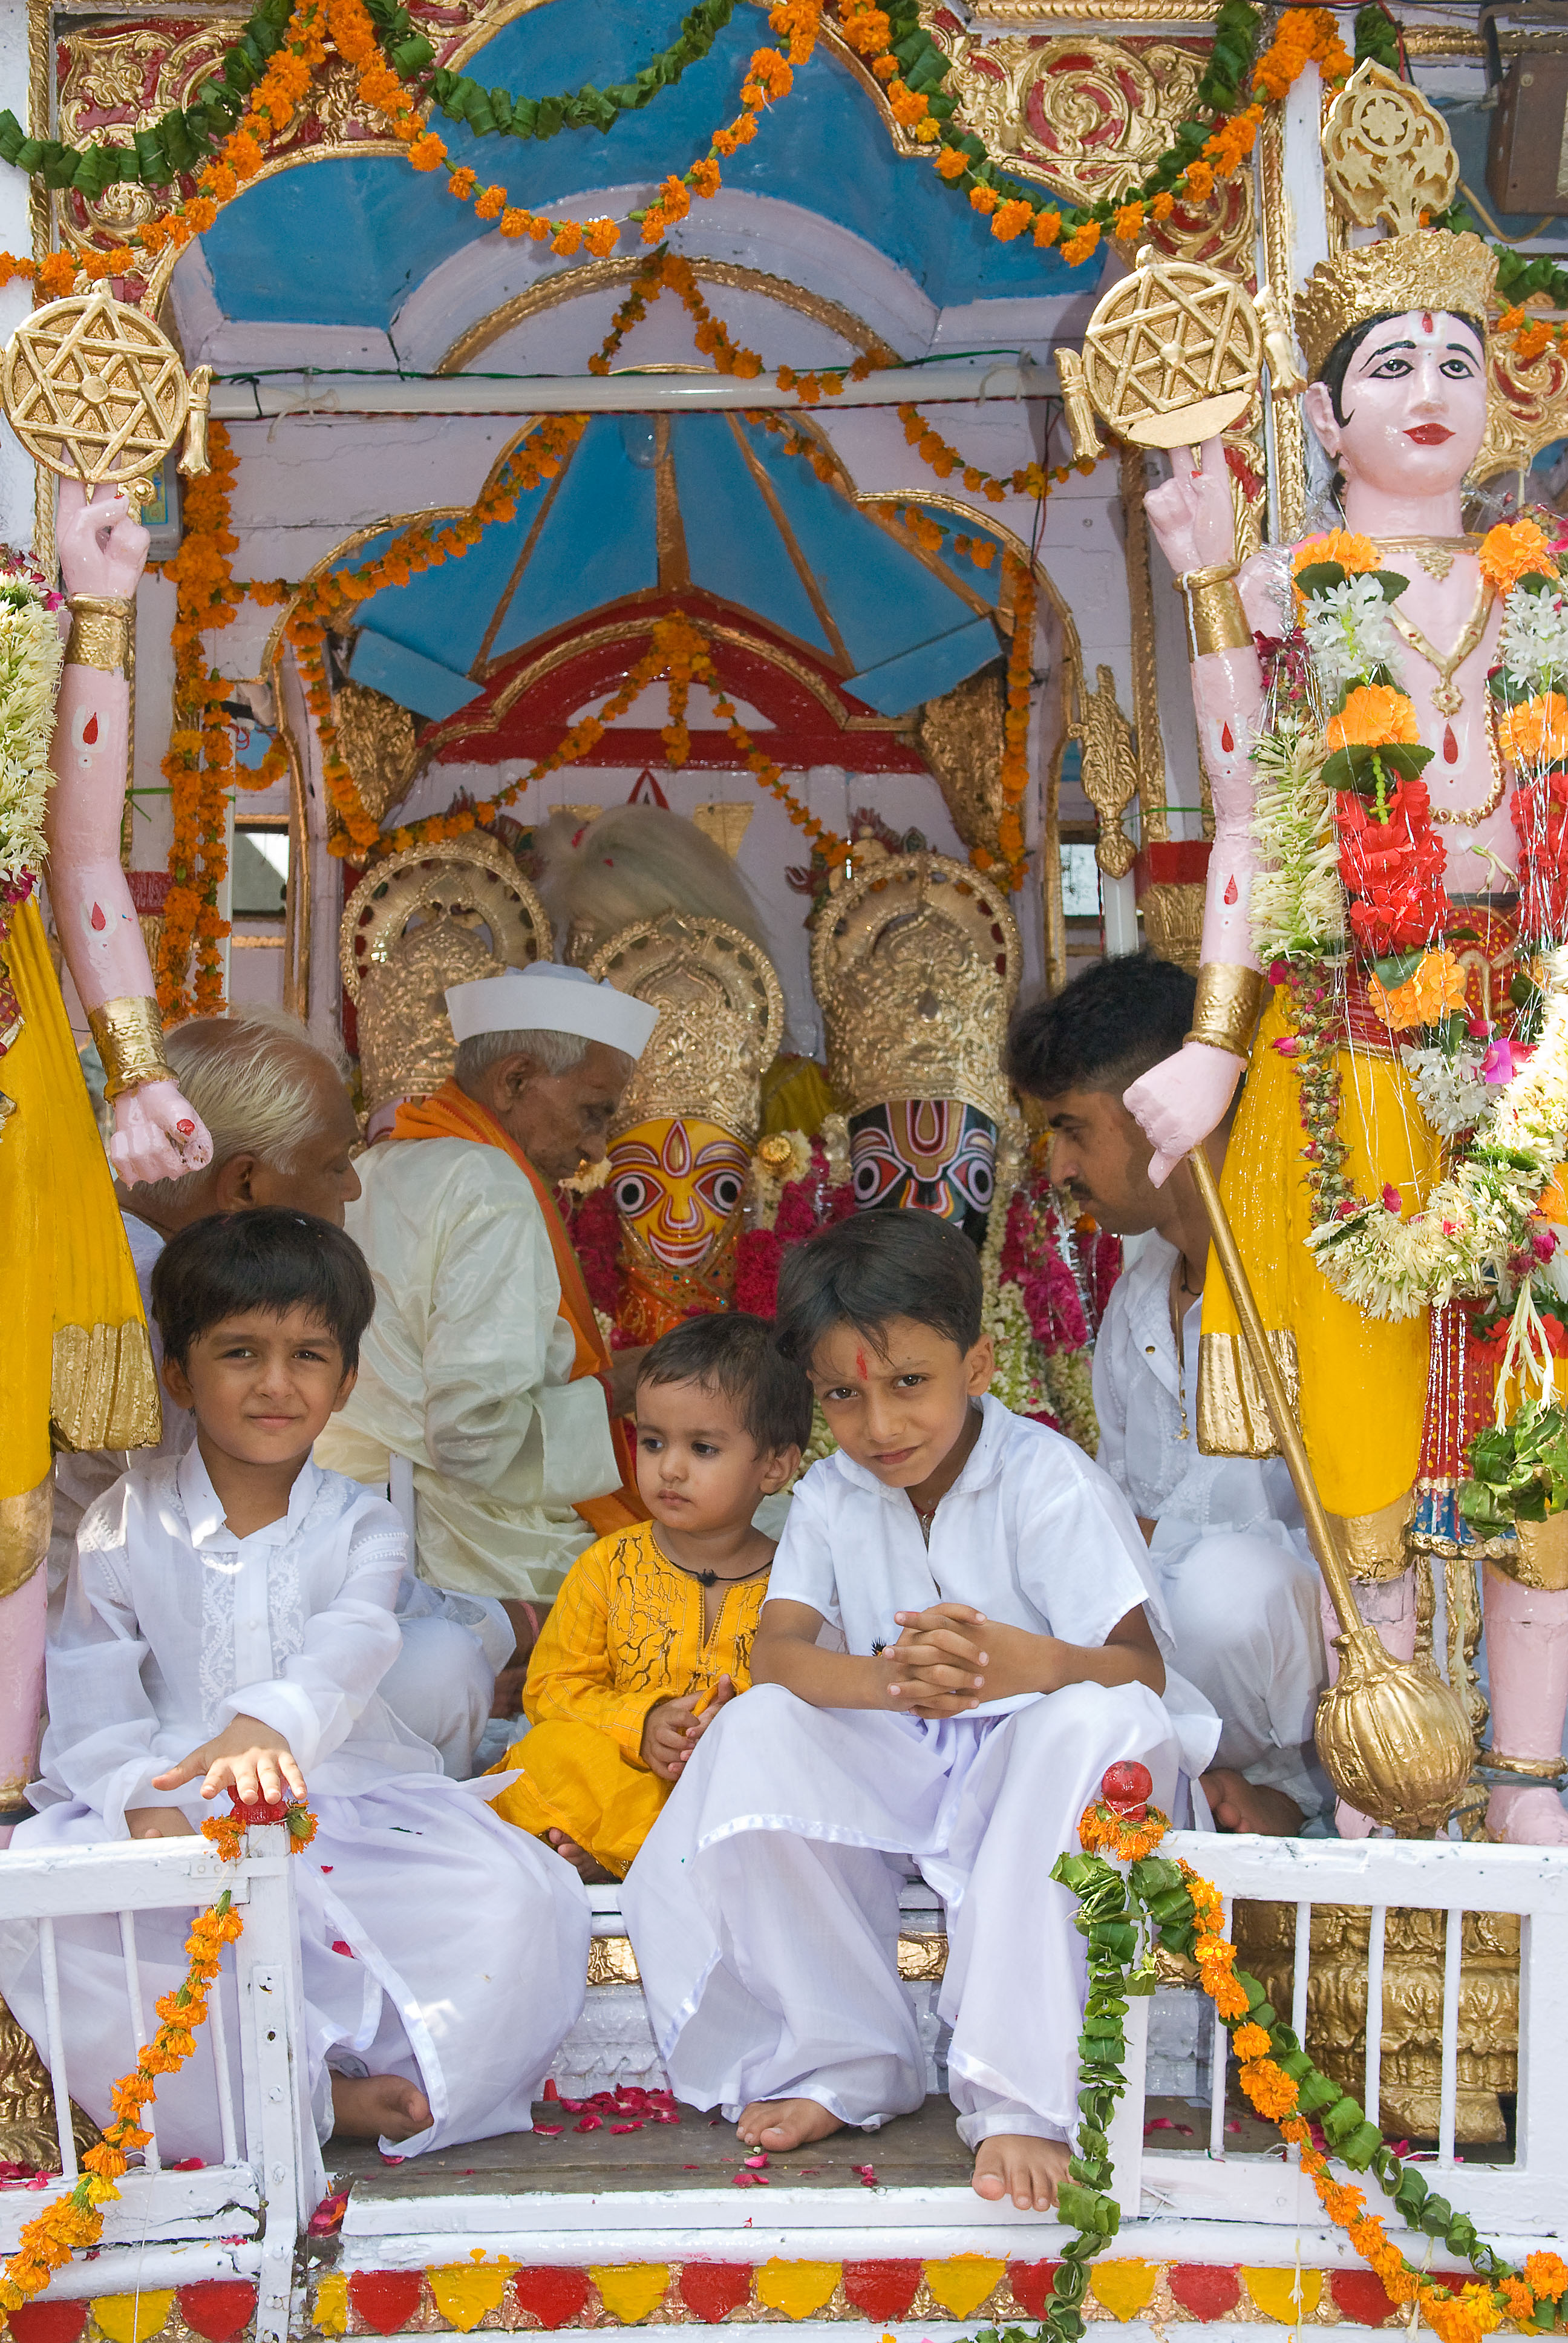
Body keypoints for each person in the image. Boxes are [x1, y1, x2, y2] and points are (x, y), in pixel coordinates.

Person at [1131, 220, 1568, 1842]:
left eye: (1458, 361)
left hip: (1534, 1047)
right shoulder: (1265, 595)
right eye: (1391, 366)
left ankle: (1529, 1794)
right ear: (1322, 423)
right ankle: (1387, 1792)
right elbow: (1247, 829)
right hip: (1351, 1046)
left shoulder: (1554, 592)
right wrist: (1212, 1045)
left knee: (1545, 1441)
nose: (1433, 390)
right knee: (1367, 1450)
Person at [620, 1211, 1217, 2212]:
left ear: (977, 1362)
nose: (880, 1426)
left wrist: (1018, 1666)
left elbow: (1137, 1670)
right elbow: (779, 1653)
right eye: (843, 1394)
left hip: (1052, 1757)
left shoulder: (1046, 1479)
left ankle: (1023, 2098)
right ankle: (845, 2054)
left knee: (1081, 1721)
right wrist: (893, 1681)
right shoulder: (827, 1495)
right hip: (914, 1744)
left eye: (908, 1384)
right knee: (757, 1728)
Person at [0, 1209, 589, 2159]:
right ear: (181, 1374)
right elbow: (90, 1683)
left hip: (338, 1795)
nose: (276, 1385)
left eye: (309, 1356)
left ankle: (352, 2077)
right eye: (240, 1353)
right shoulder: (121, 1523)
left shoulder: (363, 1528)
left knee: (517, 1895)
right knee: (57, 1916)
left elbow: (352, 1645)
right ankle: (304, 2102)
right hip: (170, 1804)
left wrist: (266, 1731)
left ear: (347, 1379)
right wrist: (134, 1800)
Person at [53, 1008, 509, 1778]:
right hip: (138, 1707)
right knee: (447, 1662)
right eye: (335, 1162)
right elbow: (241, 1569)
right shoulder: (155, 1306)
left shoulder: (103, 1244)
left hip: (170, 1695)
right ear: (244, 1184)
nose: (356, 1183)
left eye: (307, 1357)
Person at [1006, 954, 1329, 1835]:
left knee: (1234, 1587)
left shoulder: (1309, 1273)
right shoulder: (1139, 1294)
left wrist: (1147, 1540)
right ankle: (1214, 1793)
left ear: (1161, 1105)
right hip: (1188, 1682)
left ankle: (1288, 1801)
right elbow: (1124, 1515)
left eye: (1072, 1129)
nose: (1059, 1166)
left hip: (1317, 1688)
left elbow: (1328, 1556)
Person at [316, 963, 659, 1645]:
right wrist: (626, 1387)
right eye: (594, 1112)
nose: (596, 1147)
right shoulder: (489, 1181)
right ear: (516, 1079)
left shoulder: (385, 1163)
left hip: (344, 1521)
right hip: (457, 1545)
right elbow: (473, 1437)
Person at [489, 1312, 810, 1880]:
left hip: (736, 1791)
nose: (670, 1468)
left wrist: (729, 1729)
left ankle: (623, 1854)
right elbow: (550, 1691)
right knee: (550, 1754)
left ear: (775, 1466)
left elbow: (811, 1700)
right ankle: (636, 1850)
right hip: (624, 1783)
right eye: (655, 1441)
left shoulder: (796, 1582)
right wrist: (643, 1723)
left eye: (704, 1448)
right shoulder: (608, 1566)